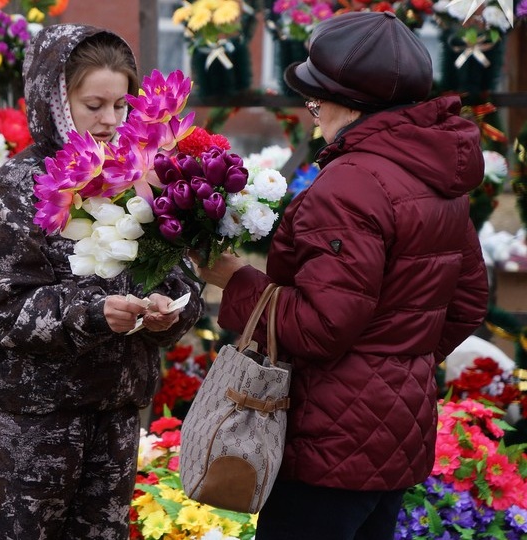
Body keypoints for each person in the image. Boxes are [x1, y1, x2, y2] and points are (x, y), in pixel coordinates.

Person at [196, 11, 489, 540]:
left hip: (329, 438)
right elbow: (468, 302)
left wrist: (237, 279)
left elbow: (324, 326)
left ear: (349, 103)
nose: (313, 116)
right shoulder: (436, 174)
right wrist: (398, 360)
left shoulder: (351, 185)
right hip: (398, 431)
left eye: (315, 101)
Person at [0, 24, 204, 539]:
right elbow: (5, 309)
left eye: (121, 107)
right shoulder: (15, 190)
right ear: (54, 100)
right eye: (94, 104)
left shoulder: (139, 176)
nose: (109, 120)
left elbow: (183, 274)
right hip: (32, 419)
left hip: (115, 410)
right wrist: (94, 313)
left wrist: (170, 307)